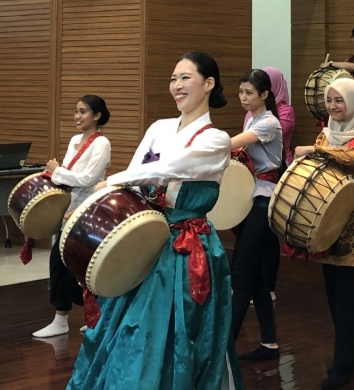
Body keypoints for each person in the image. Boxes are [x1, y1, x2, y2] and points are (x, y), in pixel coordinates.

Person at [66, 51, 244, 389]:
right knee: (128, 325)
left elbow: (169, 168)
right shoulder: (159, 128)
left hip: (187, 248)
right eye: (173, 78)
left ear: (209, 84)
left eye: (185, 77)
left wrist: (115, 179)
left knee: (180, 329)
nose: (176, 85)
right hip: (148, 238)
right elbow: (137, 174)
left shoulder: (216, 139)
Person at [294, 77, 354, 390]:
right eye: (329, 101)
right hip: (330, 219)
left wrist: (317, 151)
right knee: (335, 297)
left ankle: (341, 365)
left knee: (348, 298)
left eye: (339, 101)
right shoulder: (327, 133)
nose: (332, 107)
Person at [32, 95, 111, 338]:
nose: (77, 116)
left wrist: (58, 171)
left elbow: (87, 179)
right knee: (60, 262)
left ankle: (98, 315)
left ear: (96, 116)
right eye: (76, 111)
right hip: (66, 208)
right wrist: (60, 173)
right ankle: (61, 318)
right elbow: (65, 176)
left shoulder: (102, 143)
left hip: (88, 210)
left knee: (86, 265)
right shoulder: (74, 140)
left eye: (83, 112)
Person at [231, 69, 283, 360]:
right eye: (240, 92)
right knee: (256, 277)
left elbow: (231, 145)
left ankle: (224, 346)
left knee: (240, 274)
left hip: (264, 199)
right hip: (251, 198)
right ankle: (269, 342)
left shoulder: (269, 122)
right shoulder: (252, 118)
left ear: (264, 95)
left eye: (249, 92)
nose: (243, 98)